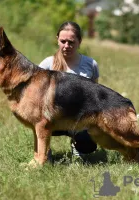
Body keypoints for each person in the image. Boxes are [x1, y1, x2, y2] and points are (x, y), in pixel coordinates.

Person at [39, 21, 99, 162]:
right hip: (52, 119)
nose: (66, 46)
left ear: (79, 42)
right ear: (57, 40)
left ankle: (77, 146)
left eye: (71, 42)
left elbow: (94, 96)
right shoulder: (48, 64)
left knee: (89, 145)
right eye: (63, 41)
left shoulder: (91, 64)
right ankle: (45, 152)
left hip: (79, 120)